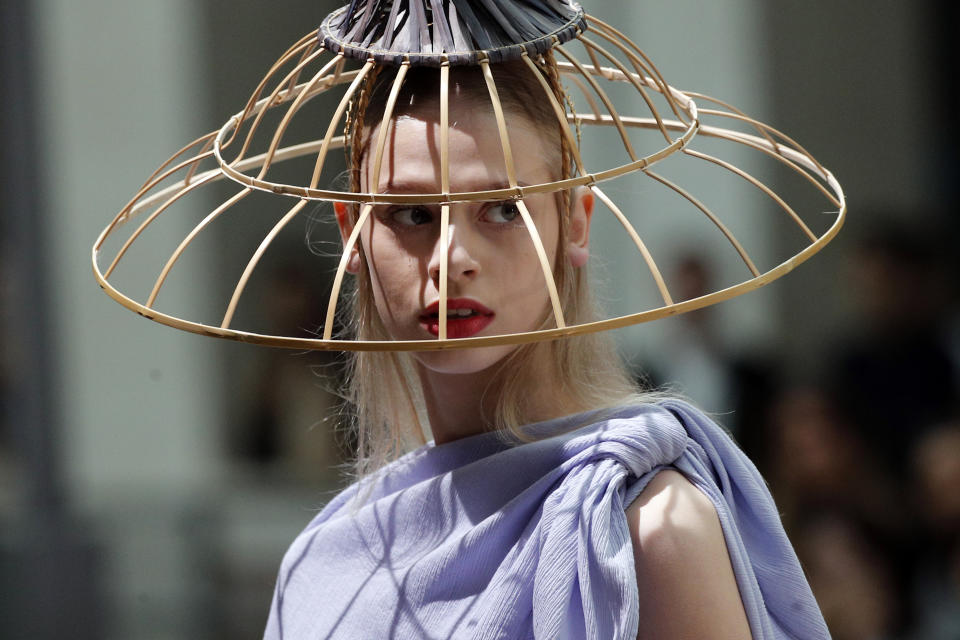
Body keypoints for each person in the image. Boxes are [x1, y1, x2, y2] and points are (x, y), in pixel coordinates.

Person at [263, 59, 828, 639]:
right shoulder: (323, 564)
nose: (451, 257)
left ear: (574, 224)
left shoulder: (650, 530)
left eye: (504, 208)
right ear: (351, 231)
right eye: (412, 214)